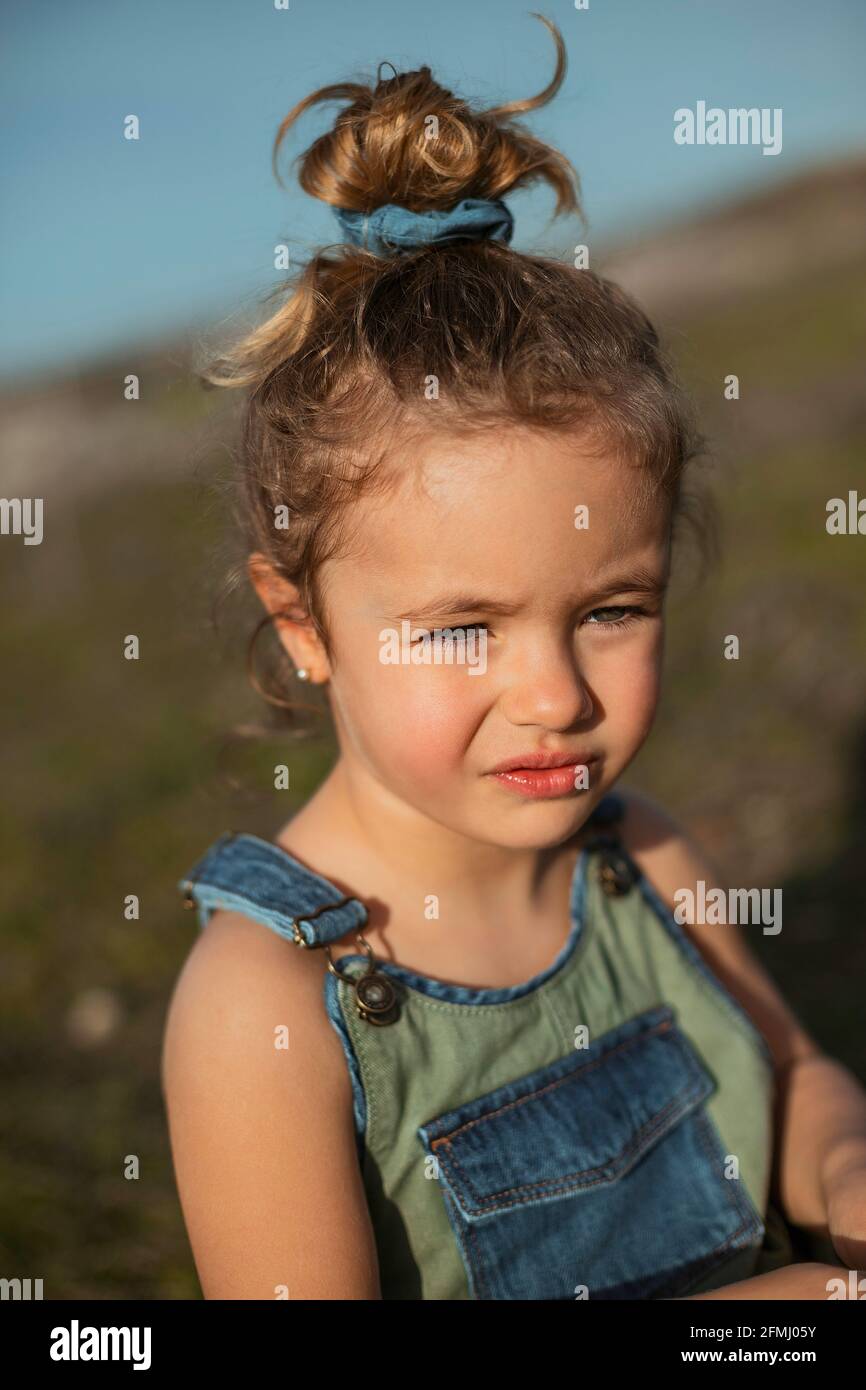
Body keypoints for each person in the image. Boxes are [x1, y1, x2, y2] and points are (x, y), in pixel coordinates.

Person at [161, 16, 866, 1300]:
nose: (555, 696)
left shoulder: (638, 858)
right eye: (460, 628)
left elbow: (796, 1072)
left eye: (610, 609)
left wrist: (843, 1166)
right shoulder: (265, 1006)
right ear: (304, 624)